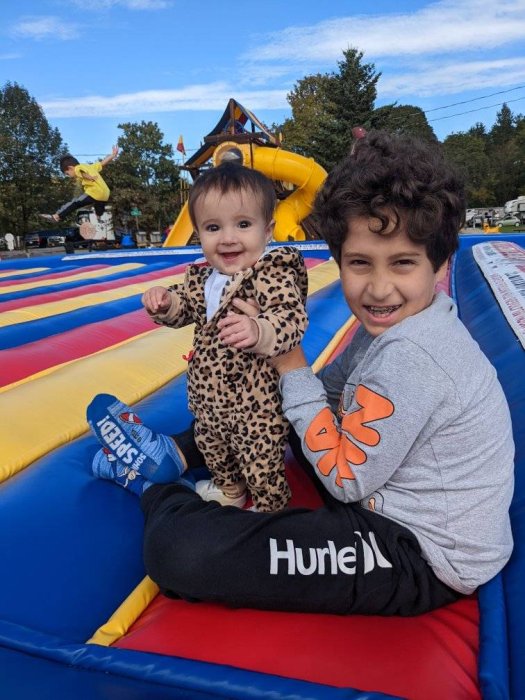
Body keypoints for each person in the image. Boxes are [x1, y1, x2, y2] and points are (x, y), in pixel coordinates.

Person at [87, 131, 514, 616]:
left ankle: (156, 487)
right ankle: (176, 454)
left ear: (440, 264)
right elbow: (326, 390)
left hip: (418, 551)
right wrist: (278, 376)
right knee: (280, 400)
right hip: (377, 492)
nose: (378, 288)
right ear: (338, 261)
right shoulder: (392, 327)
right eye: (358, 263)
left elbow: (344, 480)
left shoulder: (417, 355)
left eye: (402, 263)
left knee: (181, 552)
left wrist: (286, 358)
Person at [89, 162, 308, 512]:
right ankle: (230, 490)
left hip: (256, 403)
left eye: (243, 224)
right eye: (213, 227)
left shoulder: (270, 275)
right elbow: (184, 308)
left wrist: (260, 330)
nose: (228, 238)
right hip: (209, 398)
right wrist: (165, 302)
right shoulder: (202, 278)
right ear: (198, 233)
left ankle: (270, 508)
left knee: (261, 458)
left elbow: (290, 318)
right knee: (212, 445)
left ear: (268, 232)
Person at [40, 146, 119, 223]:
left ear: (70, 168)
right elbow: (102, 163)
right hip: (105, 194)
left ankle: (56, 216)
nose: (69, 176)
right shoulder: (90, 167)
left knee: (75, 203)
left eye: (67, 174)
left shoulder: (77, 168)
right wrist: (112, 155)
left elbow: (81, 172)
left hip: (94, 192)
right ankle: (98, 216)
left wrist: (88, 177)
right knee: (99, 207)